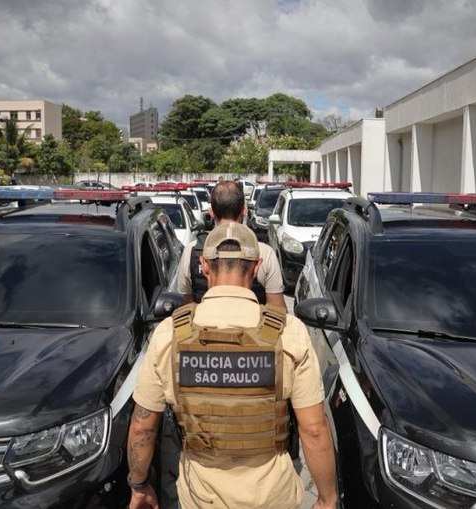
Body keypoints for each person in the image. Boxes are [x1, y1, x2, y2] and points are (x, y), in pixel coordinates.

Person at [128, 222, 338, 509]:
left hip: (201, 499)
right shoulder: (288, 332)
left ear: (203, 265)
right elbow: (314, 429)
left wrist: (139, 485)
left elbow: (143, 426)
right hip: (273, 498)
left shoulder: (169, 334)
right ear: (256, 268)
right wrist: (327, 499)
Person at [176, 180, 287, 309]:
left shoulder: (193, 250)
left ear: (211, 212)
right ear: (244, 210)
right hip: (252, 327)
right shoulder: (264, 252)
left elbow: (187, 306)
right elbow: (277, 309)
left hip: (204, 327)